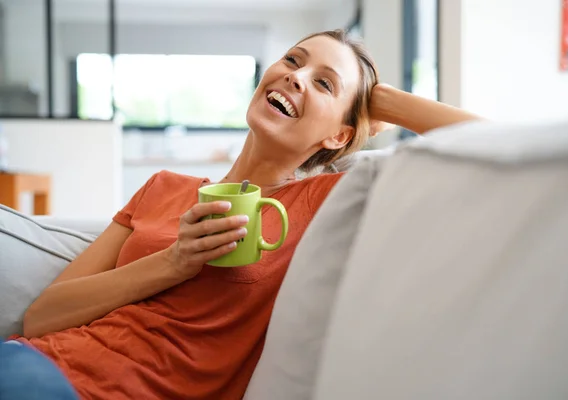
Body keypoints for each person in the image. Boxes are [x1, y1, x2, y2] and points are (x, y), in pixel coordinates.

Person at [1, 29, 479, 400]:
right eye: (293, 60)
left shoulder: (324, 202)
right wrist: (173, 261)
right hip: (35, 366)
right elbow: (42, 316)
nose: (296, 75)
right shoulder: (162, 187)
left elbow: (495, 148)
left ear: (338, 135)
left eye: (324, 83)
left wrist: (384, 100)